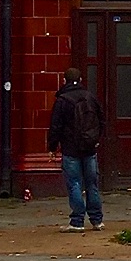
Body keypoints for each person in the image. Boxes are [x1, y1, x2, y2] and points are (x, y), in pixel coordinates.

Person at [47, 66, 106, 231]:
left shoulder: (62, 100)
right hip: (90, 147)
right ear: (81, 80)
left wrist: (52, 147)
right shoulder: (90, 97)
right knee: (92, 184)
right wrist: (96, 139)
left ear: (64, 81)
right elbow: (102, 120)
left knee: (74, 184)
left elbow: (55, 126)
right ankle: (97, 220)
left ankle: (77, 221)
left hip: (70, 148)